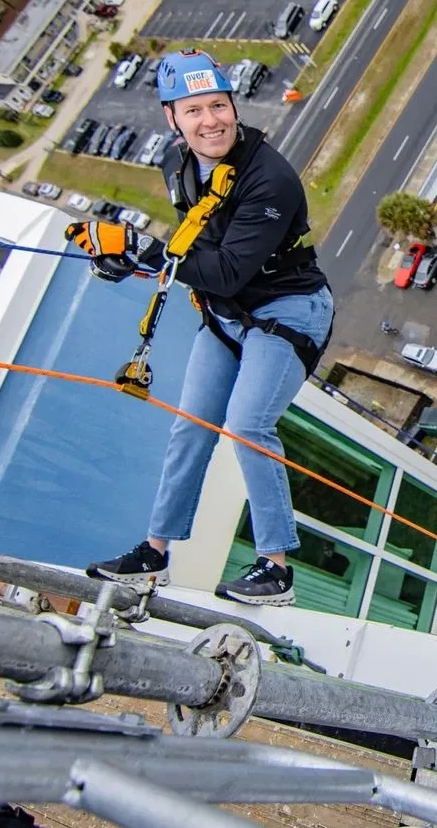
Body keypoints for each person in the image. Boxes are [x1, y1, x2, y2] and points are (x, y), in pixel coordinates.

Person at [74, 49, 334, 607]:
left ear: (235, 107)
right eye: (194, 110)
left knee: (246, 423)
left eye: (219, 105)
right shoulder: (178, 166)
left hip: (287, 311)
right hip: (226, 315)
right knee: (190, 425)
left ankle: (276, 567)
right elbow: (196, 244)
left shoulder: (271, 180)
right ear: (172, 118)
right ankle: (154, 554)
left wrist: (143, 250)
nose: (210, 120)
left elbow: (226, 268)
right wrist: (130, 260)